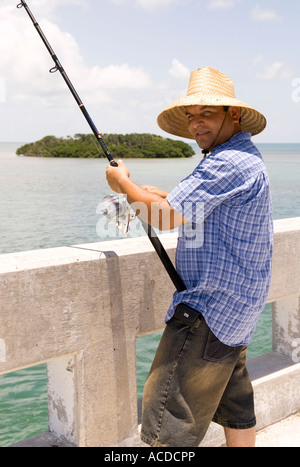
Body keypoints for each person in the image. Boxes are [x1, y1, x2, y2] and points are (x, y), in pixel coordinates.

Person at [106, 67, 273, 447]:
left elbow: (163, 217)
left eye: (207, 114)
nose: (197, 124)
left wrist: (123, 183)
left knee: (167, 428)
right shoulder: (243, 157)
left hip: (208, 313)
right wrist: (160, 195)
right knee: (236, 408)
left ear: (233, 114)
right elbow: (201, 208)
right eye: (192, 115)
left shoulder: (227, 162)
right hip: (238, 311)